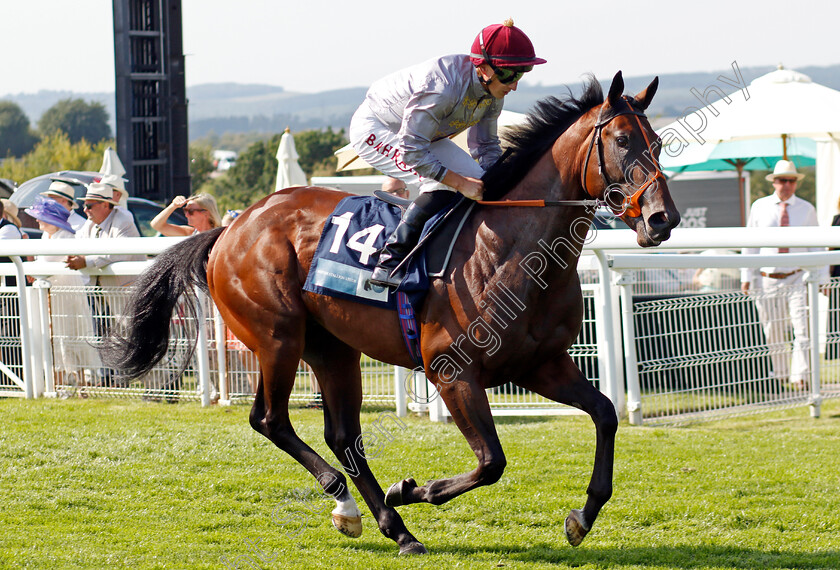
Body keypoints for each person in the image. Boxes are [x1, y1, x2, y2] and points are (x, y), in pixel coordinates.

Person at [348, 19, 546, 288]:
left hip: (424, 137)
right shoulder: (442, 87)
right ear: (484, 68)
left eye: (521, 74)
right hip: (378, 128)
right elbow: (411, 151)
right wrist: (460, 183)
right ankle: (390, 261)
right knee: (440, 183)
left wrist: (505, 183)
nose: (514, 85)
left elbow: (486, 148)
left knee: (482, 180)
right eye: (510, 74)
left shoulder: (493, 93)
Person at [741, 160, 829, 389]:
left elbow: (817, 246)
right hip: (767, 277)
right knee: (772, 329)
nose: (787, 185)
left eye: (791, 180)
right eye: (782, 180)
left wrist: (823, 279)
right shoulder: (759, 207)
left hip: (797, 276)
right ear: (775, 182)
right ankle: (778, 375)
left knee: (802, 328)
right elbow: (749, 243)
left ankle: (801, 375)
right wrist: (746, 275)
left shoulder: (807, 209)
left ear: (796, 183)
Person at [66, 183, 144, 387]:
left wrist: (87, 262)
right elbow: (79, 245)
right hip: (101, 289)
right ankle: (114, 379)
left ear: (105, 205)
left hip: (126, 287)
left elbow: (118, 252)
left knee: (129, 331)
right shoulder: (90, 225)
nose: (85, 210)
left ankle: (141, 380)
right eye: (85, 205)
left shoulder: (123, 219)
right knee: (106, 333)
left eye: (90, 206)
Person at [26, 196, 101, 395]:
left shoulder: (65, 238)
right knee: (56, 338)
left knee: (72, 335)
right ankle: (62, 385)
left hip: (68, 295)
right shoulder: (47, 237)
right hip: (53, 293)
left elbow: (48, 264)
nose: (37, 221)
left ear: (52, 220)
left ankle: (81, 386)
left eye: (41, 217)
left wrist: (33, 270)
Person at [151, 193, 222, 236]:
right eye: (185, 210)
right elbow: (156, 225)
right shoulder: (189, 233)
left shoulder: (220, 235)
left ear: (206, 213)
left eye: (191, 211)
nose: (186, 215)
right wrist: (173, 206)